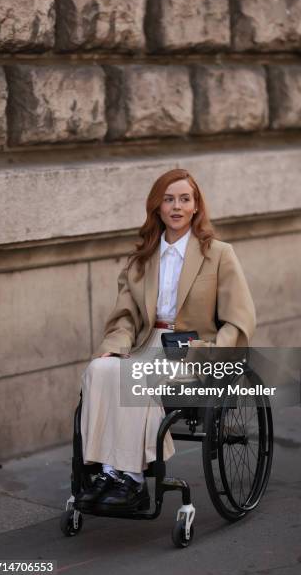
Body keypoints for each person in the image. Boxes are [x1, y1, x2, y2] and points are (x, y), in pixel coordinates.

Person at [77, 168, 256, 512]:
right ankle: (105, 470)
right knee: (99, 371)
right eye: (168, 199)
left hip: (191, 347)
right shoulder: (141, 259)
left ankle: (129, 477)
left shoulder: (219, 254)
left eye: (184, 199)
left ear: (195, 207)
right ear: (157, 207)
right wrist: (115, 348)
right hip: (146, 342)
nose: (176, 206)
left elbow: (239, 317)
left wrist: (213, 354)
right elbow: (126, 315)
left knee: (134, 380)